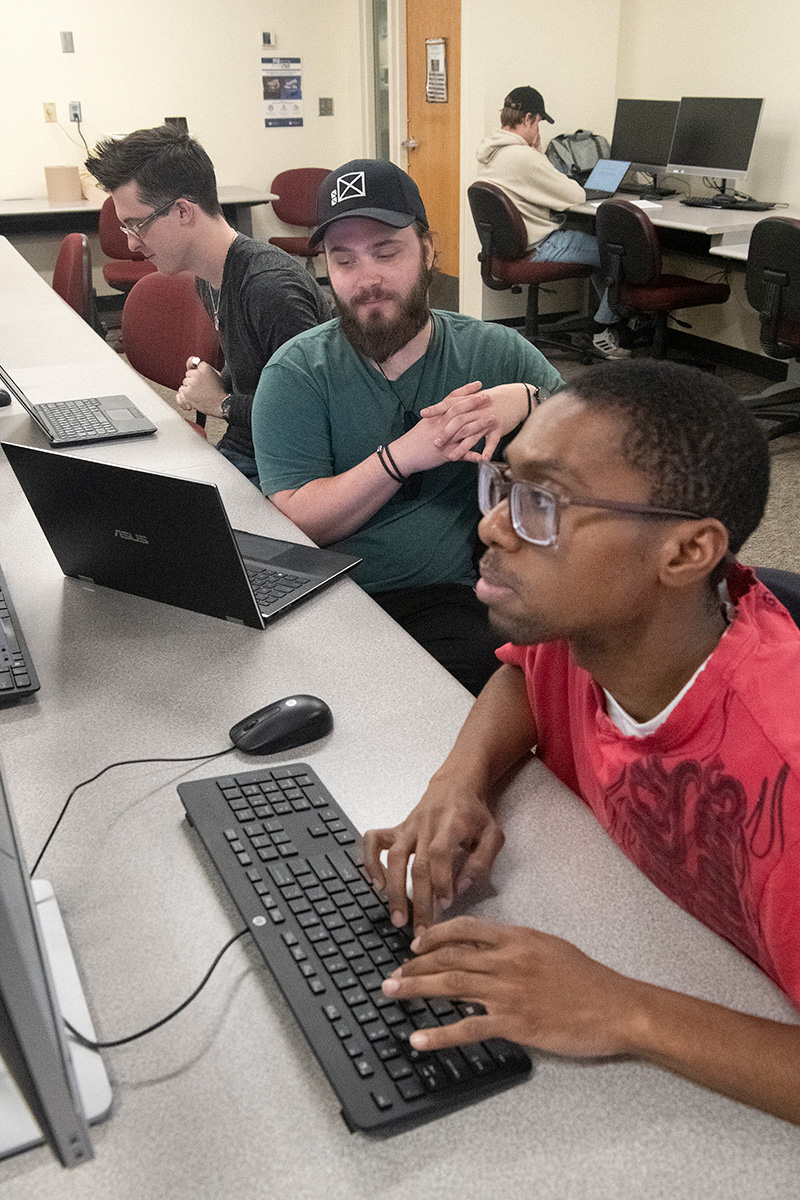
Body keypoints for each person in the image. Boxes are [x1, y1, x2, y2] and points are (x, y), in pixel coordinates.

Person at [364, 359, 800, 1126]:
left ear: (687, 553)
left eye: (544, 503)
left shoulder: (784, 772)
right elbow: (522, 678)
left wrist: (623, 1011)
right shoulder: (590, 629)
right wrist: (459, 781)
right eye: (504, 486)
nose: (493, 526)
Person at [252, 158, 564, 695]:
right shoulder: (297, 371)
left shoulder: (493, 351)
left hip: (445, 598)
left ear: (429, 249)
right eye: (343, 259)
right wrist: (402, 458)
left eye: (386, 252)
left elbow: (608, 444)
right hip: (327, 599)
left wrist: (527, 399)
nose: (366, 279)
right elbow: (293, 526)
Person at [85, 125, 329, 485]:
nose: (133, 245)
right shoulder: (210, 275)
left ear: (183, 211)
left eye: (137, 225)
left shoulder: (269, 288)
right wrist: (221, 381)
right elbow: (262, 373)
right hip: (247, 446)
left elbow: (315, 414)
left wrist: (221, 403)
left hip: (284, 466)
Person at [475, 86, 629, 361]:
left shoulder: (491, 153)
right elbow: (575, 194)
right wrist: (538, 152)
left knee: (600, 253)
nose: (538, 130)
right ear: (529, 119)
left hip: (511, 247)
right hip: (542, 246)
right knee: (621, 253)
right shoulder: (524, 157)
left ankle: (609, 322)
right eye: (539, 123)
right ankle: (602, 327)